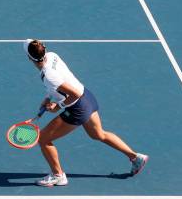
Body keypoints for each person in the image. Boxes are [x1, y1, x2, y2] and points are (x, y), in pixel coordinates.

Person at [23, 39, 148, 187]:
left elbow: (74, 94)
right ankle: (135, 157)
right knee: (98, 134)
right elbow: (59, 84)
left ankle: (58, 175)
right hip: (88, 98)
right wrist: (47, 97)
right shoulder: (52, 56)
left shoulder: (48, 75)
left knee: (43, 139)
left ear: (29, 58)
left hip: (77, 107)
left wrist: (58, 106)